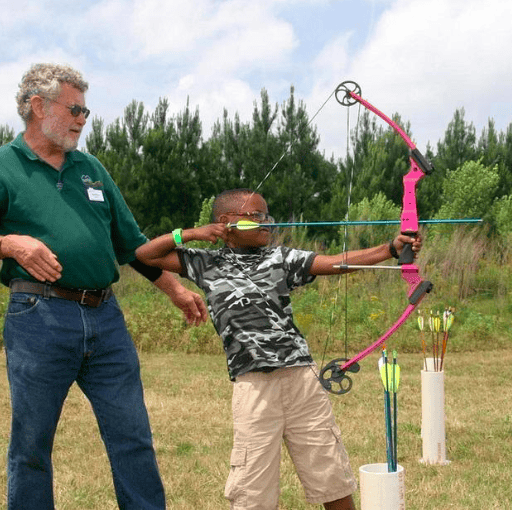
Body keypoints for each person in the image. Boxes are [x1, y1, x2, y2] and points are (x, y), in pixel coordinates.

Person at [0, 63, 209, 510]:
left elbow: (132, 245)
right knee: (32, 444)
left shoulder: (91, 169)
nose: (84, 119)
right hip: (38, 318)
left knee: (133, 435)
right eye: (76, 109)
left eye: (87, 110)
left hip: (106, 319)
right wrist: (10, 244)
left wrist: (175, 289)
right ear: (38, 106)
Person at [135, 188, 423, 510]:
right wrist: (191, 234)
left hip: (302, 380)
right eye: (256, 216)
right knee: (252, 491)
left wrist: (391, 249)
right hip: (254, 387)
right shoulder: (206, 264)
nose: (266, 223)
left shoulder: (280, 258)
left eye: (267, 216)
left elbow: (336, 263)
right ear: (227, 222)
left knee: (331, 477)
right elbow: (144, 254)